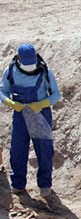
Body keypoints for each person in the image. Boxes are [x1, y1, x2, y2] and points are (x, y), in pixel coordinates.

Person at [0, 43, 61, 197]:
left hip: (40, 115)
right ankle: (18, 184)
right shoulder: (10, 71)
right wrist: (10, 103)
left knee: (44, 150)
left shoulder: (45, 71)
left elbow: (55, 94)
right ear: (19, 59)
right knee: (18, 150)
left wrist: (41, 104)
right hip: (20, 116)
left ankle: (45, 185)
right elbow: (2, 91)